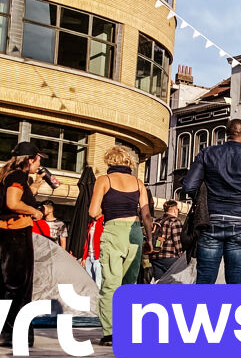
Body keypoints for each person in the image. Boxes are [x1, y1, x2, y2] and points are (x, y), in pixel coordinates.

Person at [181, 119, 241, 285]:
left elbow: (189, 186)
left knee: (205, 278)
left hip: (211, 221)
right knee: (236, 279)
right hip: (240, 222)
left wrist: (205, 199)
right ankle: (233, 309)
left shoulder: (207, 153)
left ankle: (202, 310)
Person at [89, 145, 154, 347]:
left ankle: (110, 334)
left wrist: (106, 209)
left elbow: (92, 212)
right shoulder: (138, 182)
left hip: (113, 231)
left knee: (110, 285)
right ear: (128, 163)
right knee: (129, 285)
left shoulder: (104, 180)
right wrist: (149, 239)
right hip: (135, 232)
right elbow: (146, 215)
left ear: (110, 162)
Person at [0, 142, 48, 348]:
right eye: (38, 160)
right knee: (18, 286)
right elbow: (13, 203)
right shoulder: (18, 176)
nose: (39, 164)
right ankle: (17, 334)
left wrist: (38, 183)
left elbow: (20, 196)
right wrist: (35, 212)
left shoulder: (8, 176)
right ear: (30, 158)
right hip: (14, 233)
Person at [147, 200, 184, 281]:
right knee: (174, 281)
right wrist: (181, 256)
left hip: (155, 257)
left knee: (159, 281)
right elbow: (177, 241)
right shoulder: (175, 221)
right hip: (170, 257)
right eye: (177, 209)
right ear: (174, 210)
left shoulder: (157, 221)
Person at [79, 214, 104, 288]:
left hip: (98, 257)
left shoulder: (104, 221)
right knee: (89, 283)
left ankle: (98, 299)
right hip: (89, 256)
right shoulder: (91, 222)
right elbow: (87, 240)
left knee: (98, 284)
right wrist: (84, 257)